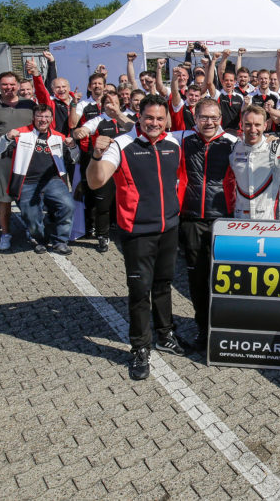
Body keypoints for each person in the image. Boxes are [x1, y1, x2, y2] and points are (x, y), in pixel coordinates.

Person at [86, 94, 189, 381]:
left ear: (165, 119)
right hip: (137, 232)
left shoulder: (174, 143)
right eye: (148, 117)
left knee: (163, 285)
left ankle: (165, 334)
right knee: (140, 292)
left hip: (169, 227)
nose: (154, 123)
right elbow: (96, 181)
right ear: (138, 116)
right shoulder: (121, 144)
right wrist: (96, 154)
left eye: (159, 118)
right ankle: (140, 348)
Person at [173, 98, 237, 352]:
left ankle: (226, 328)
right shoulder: (182, 140)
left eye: (213, 117)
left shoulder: (233, 144)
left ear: (220, 118)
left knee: (224, 278)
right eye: (204, 117)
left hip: (224, 220)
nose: (209, 122)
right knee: (197, 279)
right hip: (191, 219)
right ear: (195, 118)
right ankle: (203, 327)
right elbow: (145, 131)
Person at [0, 104, 77, 255]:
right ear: (33, 117)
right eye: (39, 116)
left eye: (46, 117)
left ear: (51, 119)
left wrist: (73, 147)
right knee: (31, 217)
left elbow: (75, 158)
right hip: (27, 182)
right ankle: (40, 239)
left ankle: (61, 241)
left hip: (53, 181)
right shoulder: (20, 133)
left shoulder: (59, 137)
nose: (43, 120)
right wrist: (6, 137)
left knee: (68, 206)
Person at [0, 71, 37, 251]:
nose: (9, 88)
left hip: (27, 158)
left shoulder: (29, 104)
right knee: (4, 198)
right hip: (4, 159)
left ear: (18, 86)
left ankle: (32, 230)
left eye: (12, 84)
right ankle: (5, 234)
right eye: (5, 84)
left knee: (29, 196)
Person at [72, 93, 135, 252]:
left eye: (115, 101)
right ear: (103, 104)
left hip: (127, 168)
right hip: (106, 167)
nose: (112, 105)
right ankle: (102, 236)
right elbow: (82, 129)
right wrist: (79, 132)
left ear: (120, 103)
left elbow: (138, 130)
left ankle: (127, 231)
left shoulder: (128, 118)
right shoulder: (98, 120)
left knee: (127, 201)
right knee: (102, 204)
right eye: (108, 102)